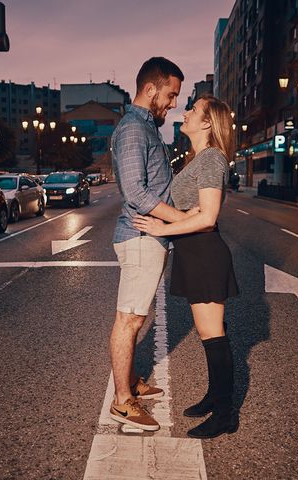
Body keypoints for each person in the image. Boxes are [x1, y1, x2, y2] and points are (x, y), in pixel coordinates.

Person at [133, 94, 240, 439]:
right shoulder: (199, 159)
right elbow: (197, 210)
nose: (186, 113)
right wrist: (186, 216)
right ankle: (215, 397)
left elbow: (208, 216)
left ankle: (226, 415)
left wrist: (163, 227)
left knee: (214, 336)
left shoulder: (210, 159)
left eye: (193, 110)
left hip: (205, 253)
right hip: (195, 253)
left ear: (208, 123)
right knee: (210, 334)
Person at [109, 57, 190, 432]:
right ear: (151, 88)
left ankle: (132, 380)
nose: (174, 103)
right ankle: (123, 401)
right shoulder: (132, 129)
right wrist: (183, 222)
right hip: (141, 237)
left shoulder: (146, 127)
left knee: (137, 316)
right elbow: (136, 192)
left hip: (151, 237)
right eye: (171, 95)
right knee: (130, 318)